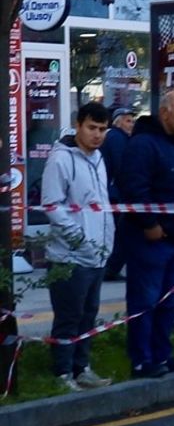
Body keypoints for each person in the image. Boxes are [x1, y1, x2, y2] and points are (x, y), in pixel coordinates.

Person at [118, 91, 174, 379]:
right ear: (164, 113)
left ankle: (161, 354)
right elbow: (134, 189)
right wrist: (150, 224)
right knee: (146, 300)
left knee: (168, 302)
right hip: (150, 239)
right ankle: (142, 360)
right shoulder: (143, 145)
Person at [42, 102, 114, 392]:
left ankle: (81, 368)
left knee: (88, 315)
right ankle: (62, 374)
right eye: (92, 128)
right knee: (68, 317)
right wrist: (79, 240)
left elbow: (101, 203)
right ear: (78, 125)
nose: (97, 135)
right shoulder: (60, 160)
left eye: (102, 129)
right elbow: (51, 205)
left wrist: (105, 242)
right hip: (70, 257)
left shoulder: (99, 158)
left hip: (97, 254)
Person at [101, 106, 135, 281]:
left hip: (114, 193)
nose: (132, 124)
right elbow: (122, 167)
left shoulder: (116, 137)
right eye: (128, 121)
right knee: (120, 234)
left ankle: (111, 268)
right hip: (115, 195)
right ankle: (111, 268)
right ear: (118, 122)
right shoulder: (116, 138)